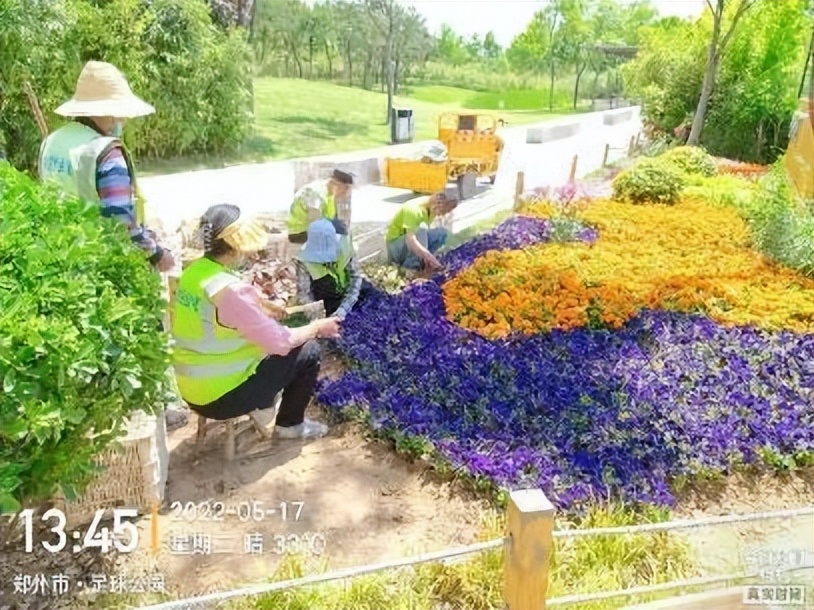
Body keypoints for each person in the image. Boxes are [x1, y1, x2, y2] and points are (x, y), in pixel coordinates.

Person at [172, 204, 341, 439]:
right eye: (245, 249)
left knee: (277, 348)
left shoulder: (195, 272)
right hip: (221, 396)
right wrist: (316, 328)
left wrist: (263, 304)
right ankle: (290, 425)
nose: (250, 255)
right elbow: (281, 342)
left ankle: (266, 406)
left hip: (191, 388)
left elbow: (223, 306)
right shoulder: (231, 291)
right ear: (233, 249)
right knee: (308, 349)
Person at [38, 60, 174, 272]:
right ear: (105, 110)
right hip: (95, 261)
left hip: (55, 255)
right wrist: (156, 254)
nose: (121, 119)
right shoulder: (106, 153)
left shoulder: (52, 141)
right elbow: (120, 222)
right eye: (117, 111)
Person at [293, 219, 363, 320]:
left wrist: (342, 311)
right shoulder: (304, 260)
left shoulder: (346, 247)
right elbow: (304, 294)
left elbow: (356, 281)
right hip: (323, 299)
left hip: (347, 295)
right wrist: (317, 318)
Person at [385, 192, 458, 272]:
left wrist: (428, 256)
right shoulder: (413, 209)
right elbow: (411, 240)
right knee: (421, 230)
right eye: (443, 211)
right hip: (396, 246)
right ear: (438, 204)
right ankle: (411, 268)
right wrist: (427, 255)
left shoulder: (431, 208)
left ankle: (426, 264)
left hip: (410, 243)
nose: (442, 215)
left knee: (442, 233)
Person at [287, 169, 353, 244]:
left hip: (314, 228)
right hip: (300, 232)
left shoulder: (330, 193)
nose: (346, 193)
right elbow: (315, 220)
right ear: (334, 183)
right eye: (345, 188)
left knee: (341, 228)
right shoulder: (314, 192)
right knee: (338, 231)